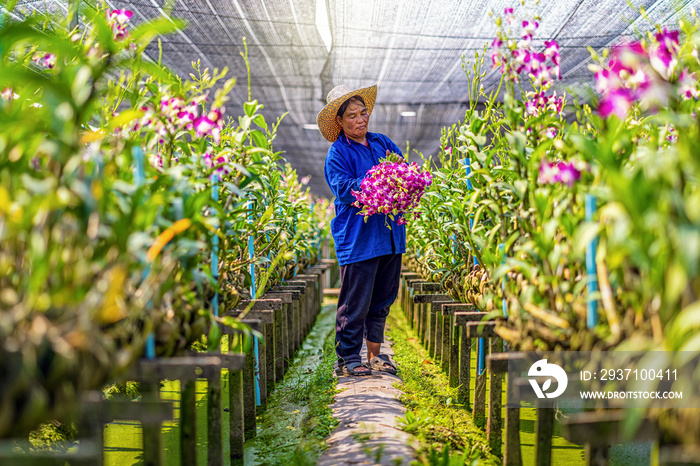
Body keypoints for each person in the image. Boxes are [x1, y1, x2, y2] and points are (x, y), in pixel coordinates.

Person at [317, 83, 404, 376]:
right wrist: (377, 185)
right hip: (358, 238)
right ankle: (347, 358)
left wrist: (401, 182)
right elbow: (344, 189)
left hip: (390, 235)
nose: (360, 120)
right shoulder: (338, 153)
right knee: (356, 301)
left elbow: (402, 170)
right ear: (339, 122)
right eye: (352, 116)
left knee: (382, 299)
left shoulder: (383, 144)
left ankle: (375, 355)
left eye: (363, 112)